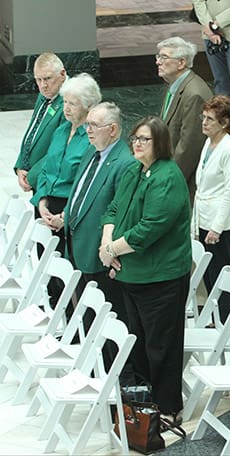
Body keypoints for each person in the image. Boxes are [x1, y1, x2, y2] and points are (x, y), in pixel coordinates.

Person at [100, 116, 191, 425]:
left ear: (160, 143)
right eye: (135, 138)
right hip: (131, 274)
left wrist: (112, 250)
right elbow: (113, 209)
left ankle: (167, 407)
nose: (137, 144)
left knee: (161, 346)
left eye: (145, 139)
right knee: (138, 344)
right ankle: (144, 403)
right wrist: (106, 242)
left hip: (160, 278)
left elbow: (150, 228)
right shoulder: (133, 170)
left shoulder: (167, 176)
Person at [64, 102, 134, 328]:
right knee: (86, 310)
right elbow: (79, 189)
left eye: (94, 125)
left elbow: (119, 211)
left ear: (112, 129)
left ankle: (107, 361)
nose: (88, 130)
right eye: (87, 125)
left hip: (99, 251)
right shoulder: (91, 151)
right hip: (77, 242)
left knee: (104, 317)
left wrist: (110, 248)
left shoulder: (124, 163)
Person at [31, 73, 102, 260]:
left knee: (65, 274)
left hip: (71, 211)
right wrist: (42, 201)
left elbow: (87, 185)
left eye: (73, 104)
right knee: (44, 267)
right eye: (65, 102)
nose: (66, 108)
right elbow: (46, 169)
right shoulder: (62, 130)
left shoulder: (92, 139)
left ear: (88, 106)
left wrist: (64, 216)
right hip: (47, 206)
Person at [192, 95, 230, 322]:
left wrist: (217, 228)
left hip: (219, 224)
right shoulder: (208, 142)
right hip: (204, 218)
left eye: (210, 119)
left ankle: (228, 318)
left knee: (220, 271)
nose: (204, 123)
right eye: (204, 117)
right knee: (208, 272)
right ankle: (216, 316)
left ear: (224, 123)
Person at [192, 0, 230, 147]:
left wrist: (217, 23)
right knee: (220, 80)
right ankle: (223, 123)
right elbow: (199, 2)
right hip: (209, 34)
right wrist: (209, 27)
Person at [156, 36, 213, 199]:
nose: (158, 62)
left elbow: (189, 147)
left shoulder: (194, 94)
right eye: (158, 56)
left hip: (180, 182)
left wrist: (168, 182)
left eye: (164, 57)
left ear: (181, 63)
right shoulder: (175, 85)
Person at [15, 53, 68, 198]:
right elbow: (33, 130)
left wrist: (31, 177)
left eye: (48, 79)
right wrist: (21, 165)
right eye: (38, 80)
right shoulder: (45, 95)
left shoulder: (70, 102)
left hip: (50, 181)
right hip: (35, 178)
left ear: (62, 74)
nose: (43, 85)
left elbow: (60, 149)